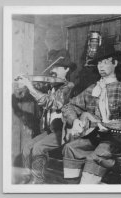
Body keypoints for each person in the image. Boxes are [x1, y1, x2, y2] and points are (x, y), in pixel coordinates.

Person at [61, 43, 121, 184]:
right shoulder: (93, 88)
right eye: (98, 63)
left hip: (115, 141)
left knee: (95, 156)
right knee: (70, 148)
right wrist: (75, 121)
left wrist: (109, 125)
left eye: (105, 62)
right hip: (94, 137)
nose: (101, 66)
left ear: (115, 63)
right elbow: (69, 106)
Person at [17, 49, 76, 184]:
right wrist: (24, 82)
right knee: (27, 147)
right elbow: (28, 92)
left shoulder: (68, 86)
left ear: (67, 69)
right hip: (51, 130)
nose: (52, 70)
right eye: (52, 67)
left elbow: (52, 103)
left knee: (38, 148)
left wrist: (30, 86)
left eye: (57, 67)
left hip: (63, 131)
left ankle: (37, 181)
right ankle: (27, 177)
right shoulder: (51, 86)